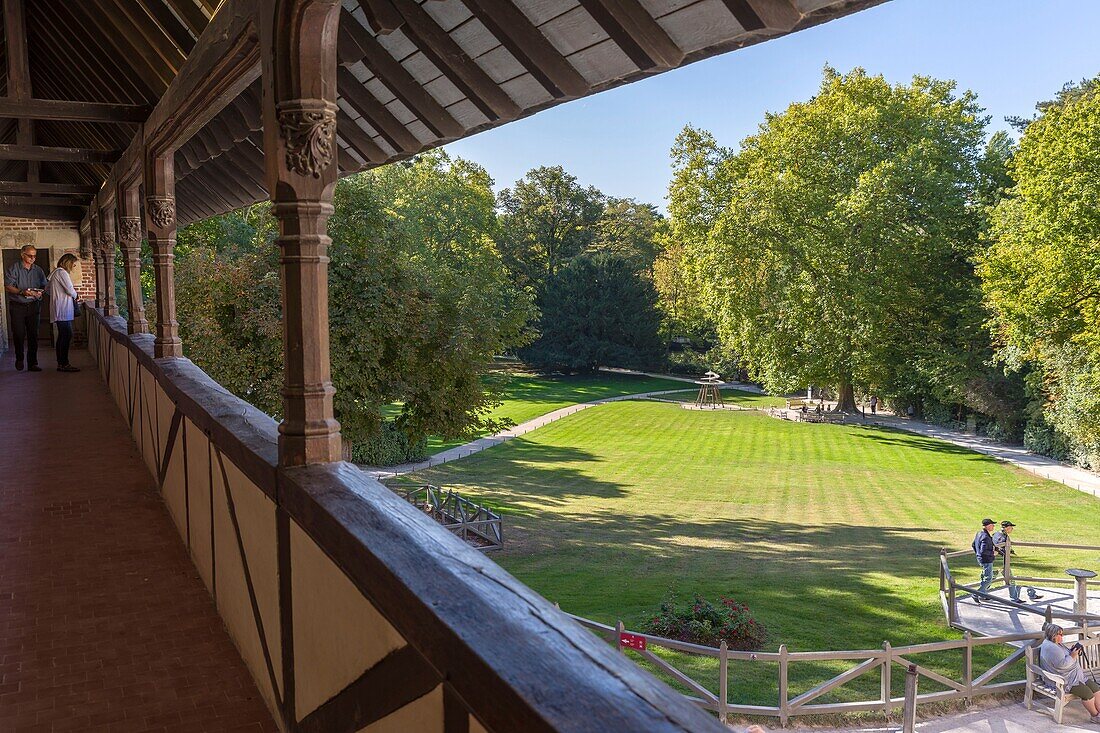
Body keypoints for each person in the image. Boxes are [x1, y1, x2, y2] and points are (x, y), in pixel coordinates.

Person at [1039, 624, 1100, 722]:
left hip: (1074, 675)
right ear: (1053, 635)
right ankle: (1095, 716)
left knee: (1095, 688)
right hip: (1063, 680)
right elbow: (1062, 665)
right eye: (1060, 635)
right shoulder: (1051, 648)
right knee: (1087, 694)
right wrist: (1073, 655)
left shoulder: (1055, 643)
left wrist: (1071, 651)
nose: (1062, 637)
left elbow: (1063, 657)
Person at [4, 244, 47, 371]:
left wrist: (40, 292)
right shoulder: (14, 268)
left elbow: (44, 286)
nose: (33, 258)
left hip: (34, 306)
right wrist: (22, 292)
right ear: (22, 255)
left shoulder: (38, 270)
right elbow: (8, 286)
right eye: (30, 256)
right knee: (18, 334)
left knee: (33, 334)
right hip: (18, 306)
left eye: (34, 256)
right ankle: (19, 358)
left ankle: (33, 363)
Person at [992, 520, 1042, 603]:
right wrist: (1007, 552)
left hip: (996, 562)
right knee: (1007, 579)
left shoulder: (996, 534)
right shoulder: (1003, 537)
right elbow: (1000, 549)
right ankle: (1015, 598)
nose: (1012, 529)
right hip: (1001, 562)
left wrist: (1010, 551)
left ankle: (980, 594)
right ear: (1007, 528)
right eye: (1011, 527)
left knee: (991, 579)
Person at [47, 254, 81, 373]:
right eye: (73, 263)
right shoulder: (62, 273)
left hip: (59, 308)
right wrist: (77, 296)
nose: (73, 266)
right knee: (66, 335)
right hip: (62, 309)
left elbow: (47, 290)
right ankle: (64, 364)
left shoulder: (55, 272)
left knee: (63, 336)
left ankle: (61, 363)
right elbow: (70, 289)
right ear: (68, 262)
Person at [971, 518, 996, 604]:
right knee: (988, 578)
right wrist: (993, 553)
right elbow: (984, 551)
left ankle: (983, 594)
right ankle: (976, 594)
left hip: (981, 559)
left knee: (984, 576)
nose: (993, 526)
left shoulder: (979, 533)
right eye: (992, 524)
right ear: (988, 526)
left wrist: (977, 554)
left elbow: (973, 545)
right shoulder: (985, 536)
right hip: (986, 560)